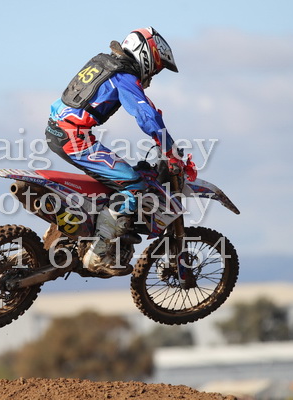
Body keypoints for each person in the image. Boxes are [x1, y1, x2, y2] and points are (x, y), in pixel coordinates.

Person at [45, 27, 187, 276]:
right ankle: (98, 253)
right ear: (147, 55)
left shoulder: (103, 62)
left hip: (56, 128)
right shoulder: (123, 76)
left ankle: (71, 231)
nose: (154, 74)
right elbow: (146, 114)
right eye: (156, 67)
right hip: (74, 138)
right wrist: (169, 149)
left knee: (112, 181)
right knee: (134, 186)